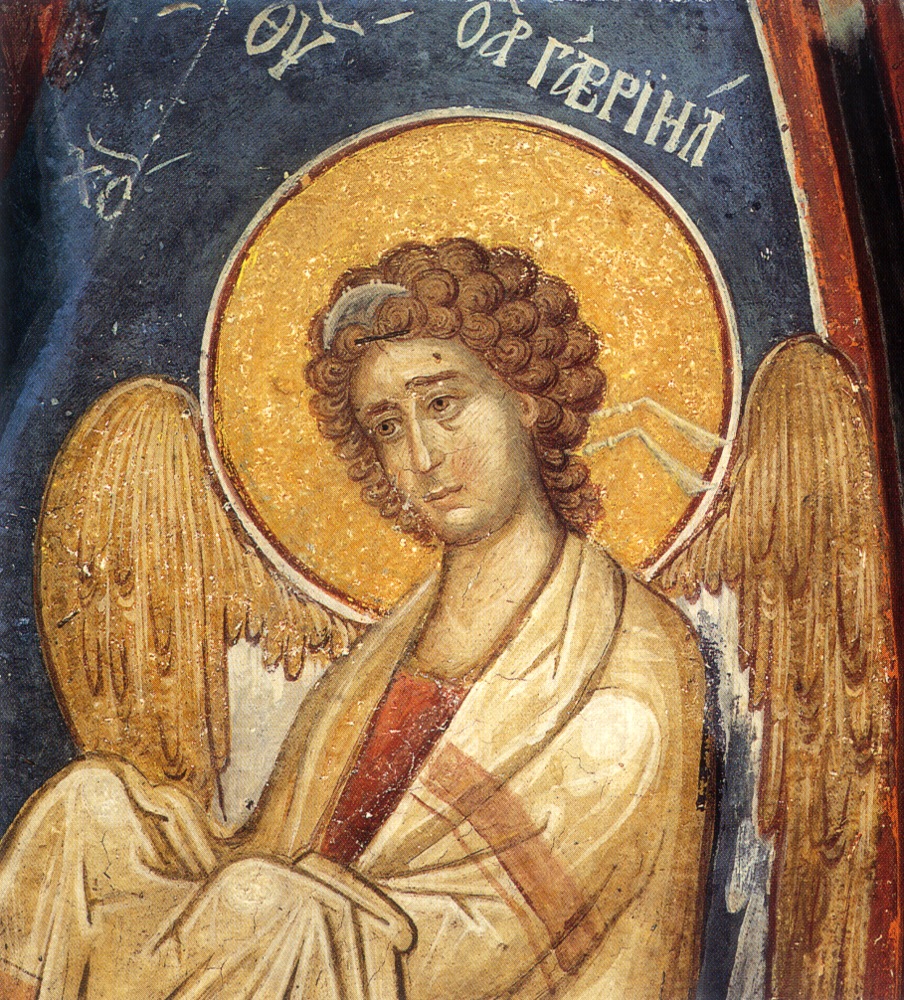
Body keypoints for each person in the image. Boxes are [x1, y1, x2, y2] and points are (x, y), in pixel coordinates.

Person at [0, 238, 708, 999]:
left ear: (526, 398)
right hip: (299, 942)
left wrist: (288, 908)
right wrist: (267, 894)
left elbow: (520, 932)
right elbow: (280, 847)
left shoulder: (626, 649)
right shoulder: (381, 656)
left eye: (443, 404)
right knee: (87, 809)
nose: (423, 456)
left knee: (262, 902)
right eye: (389, 426)